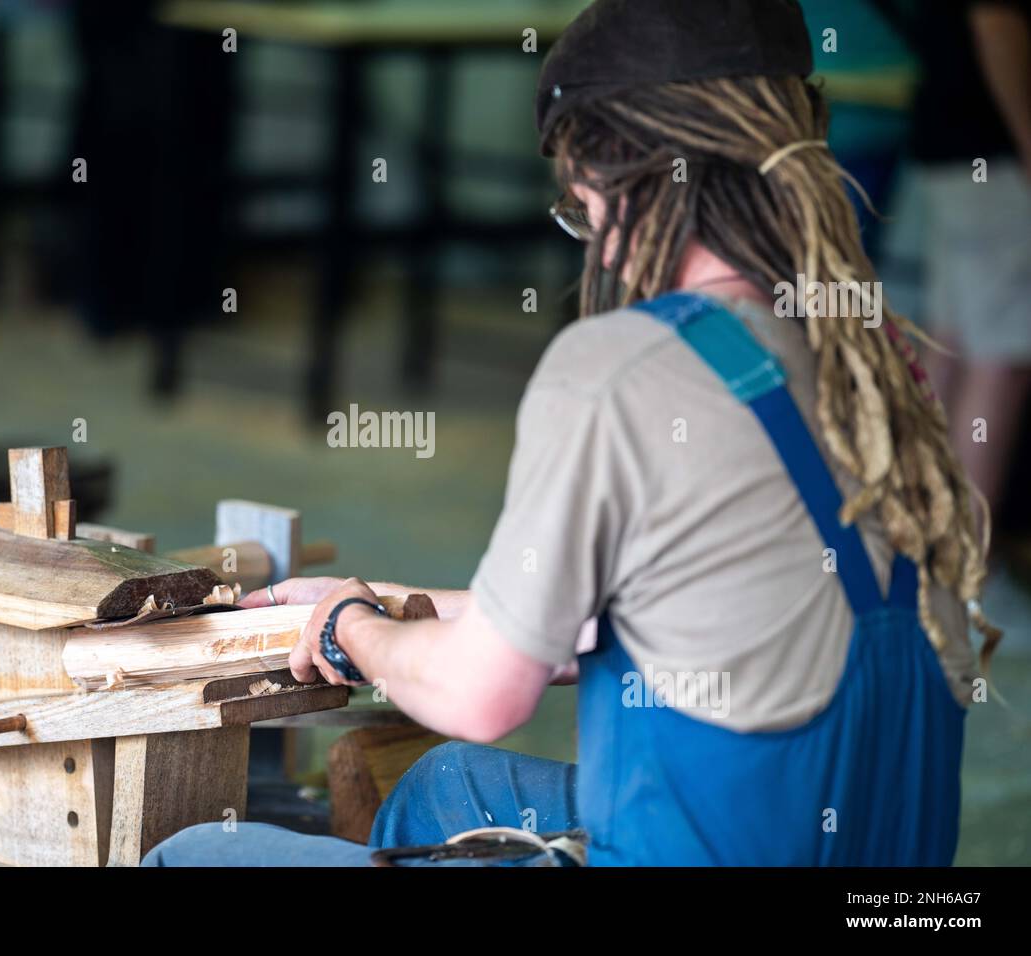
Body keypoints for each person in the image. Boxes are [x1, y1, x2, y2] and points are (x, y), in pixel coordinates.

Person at [144, 0, 998, 867]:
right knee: (447, 786)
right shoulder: (875, 354)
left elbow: (485, 695)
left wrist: (351, 632)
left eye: (581, 209)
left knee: (192, 857)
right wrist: (400, 603)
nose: (604, 252)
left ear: (614, 165)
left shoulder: (620, 365)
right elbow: (688, 606)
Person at [907, 0, 1031, 523]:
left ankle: (927, 544)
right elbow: (994, 18)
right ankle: (970, 576)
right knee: (999, 362)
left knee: (949, 346)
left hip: (950, 148)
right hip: (992, 159)